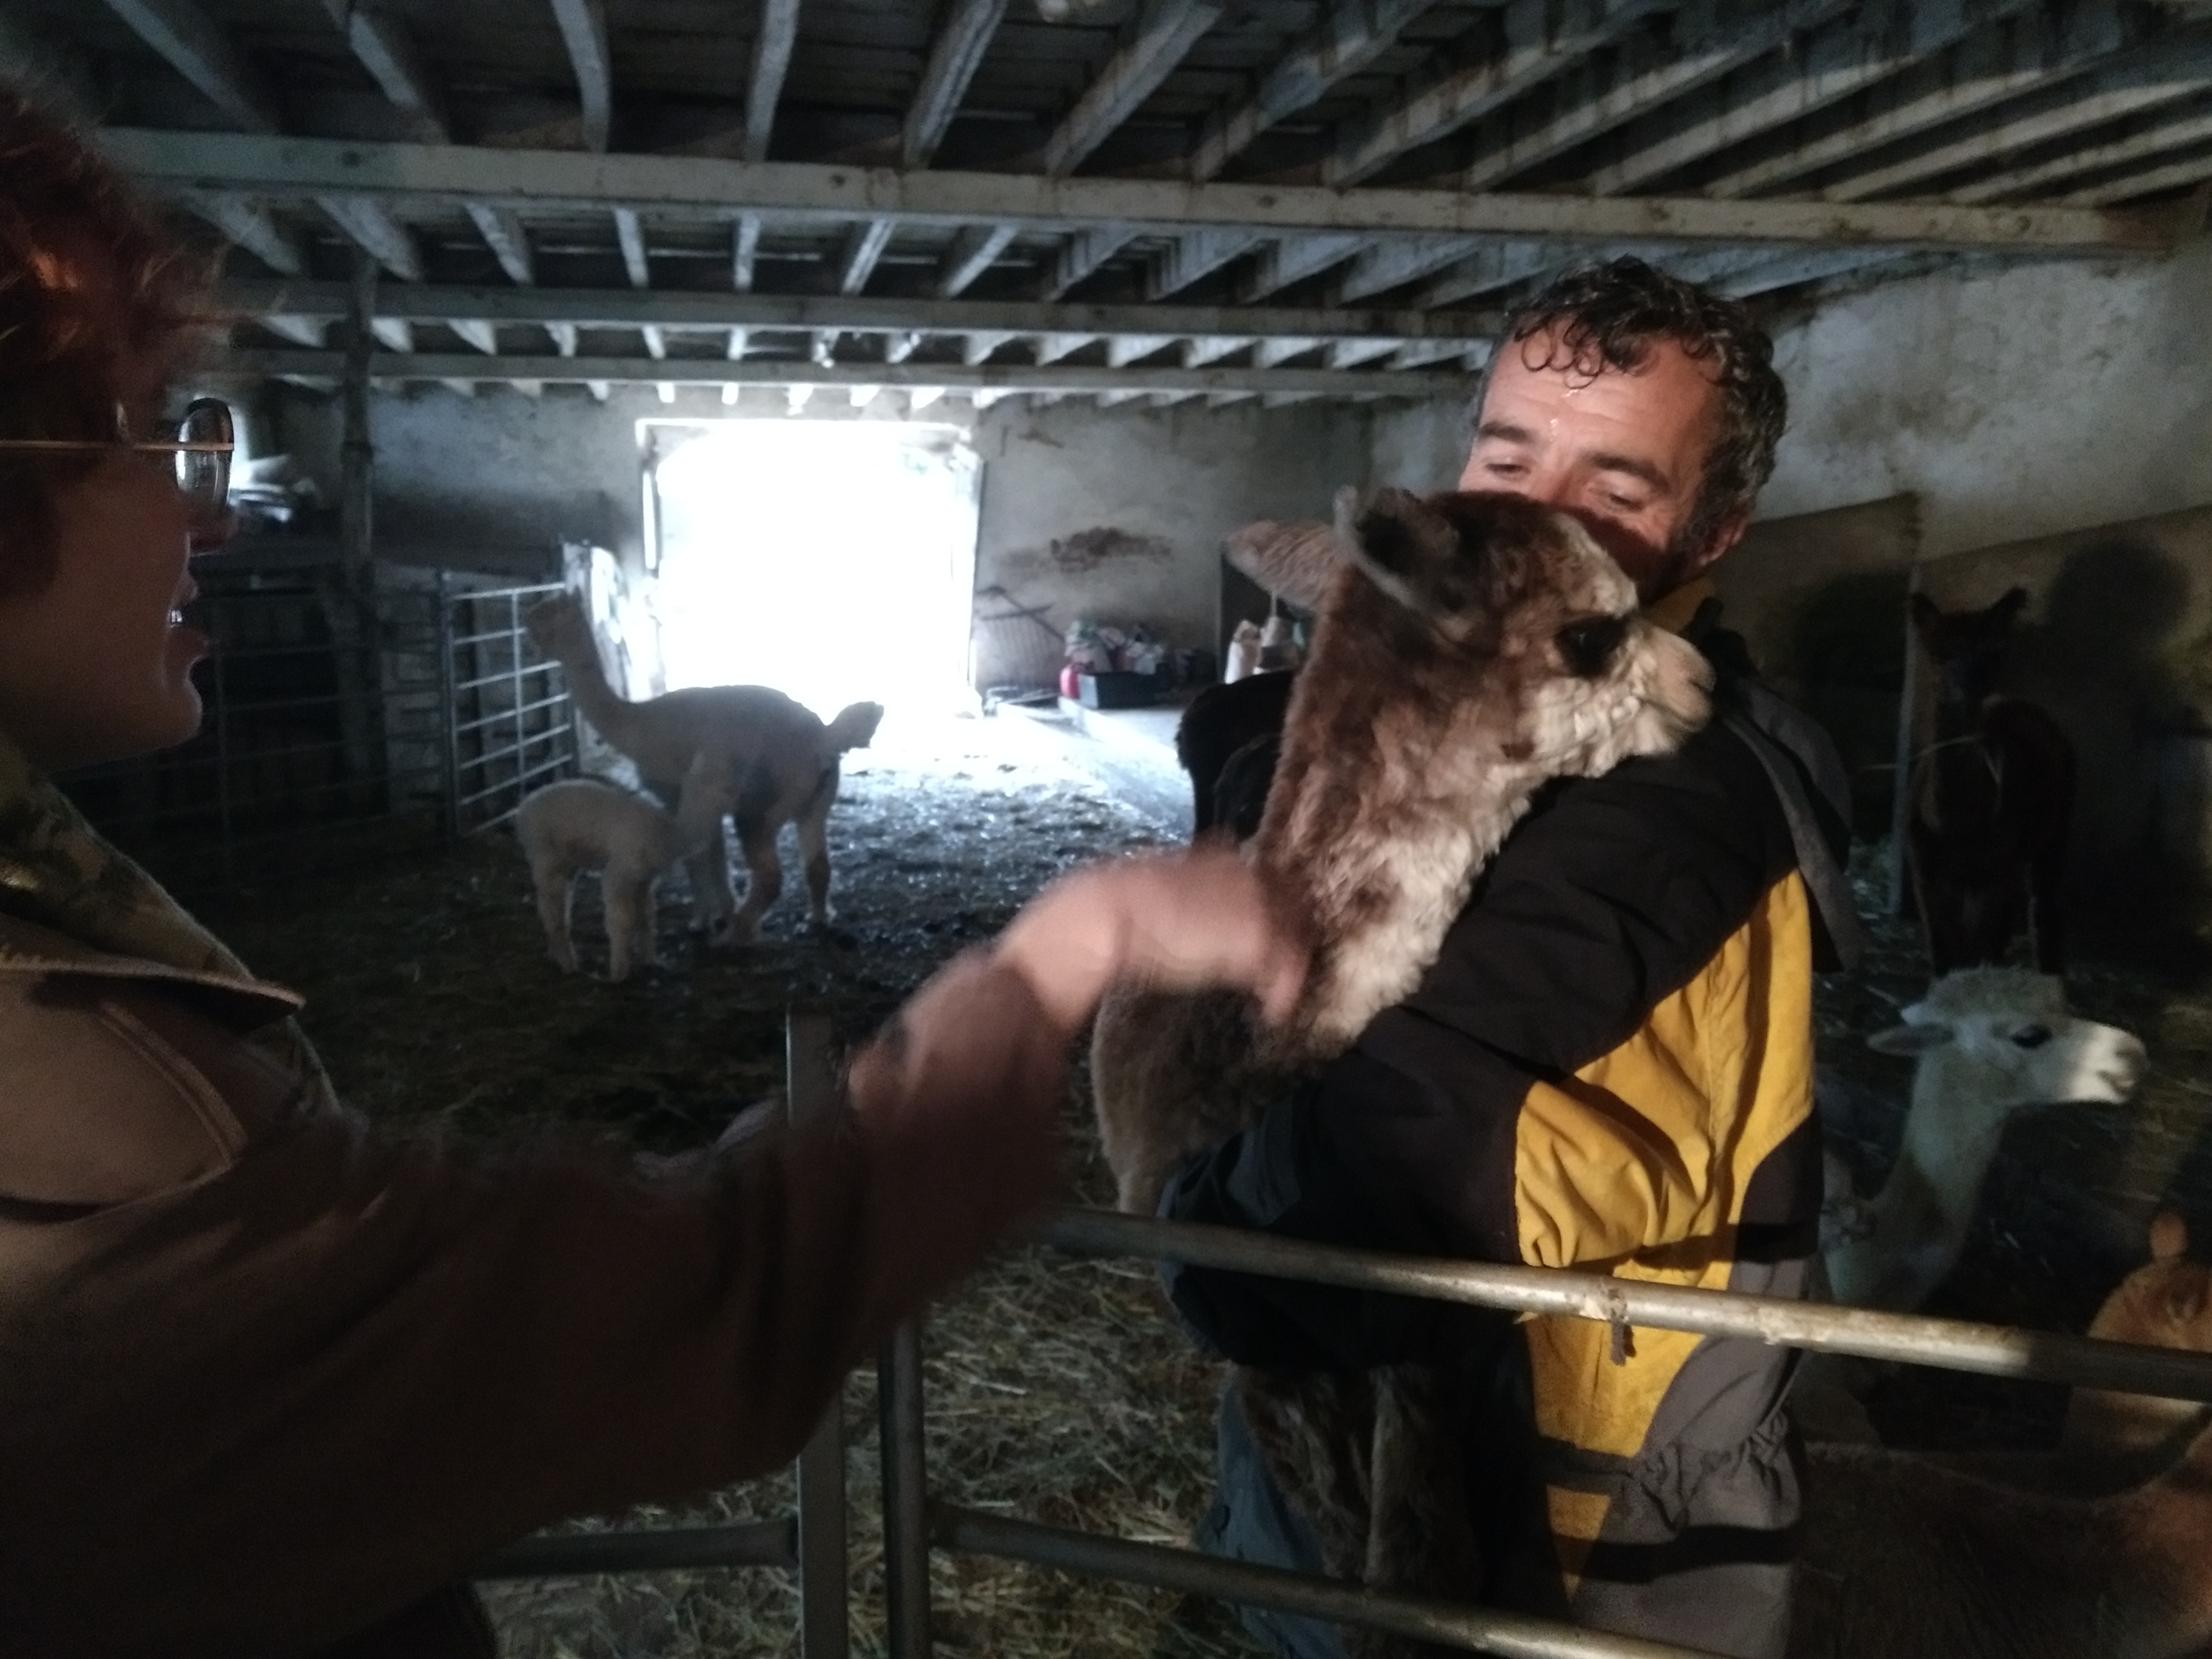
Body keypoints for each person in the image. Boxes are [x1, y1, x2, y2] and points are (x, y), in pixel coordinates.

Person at [0, 84, 1309, 1659]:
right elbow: (669, 1310)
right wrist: (1039, 973)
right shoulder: (76, 1096)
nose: (203, 514)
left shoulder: (71, 956)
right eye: (140, 429)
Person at [1162, 258, 1855, 1659]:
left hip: (1570, 1513)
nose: (1540, 518)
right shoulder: (1482, 708)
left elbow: (1407, 1165)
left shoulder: (1660, 813)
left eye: (1616, 489)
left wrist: (1197, 1237)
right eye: (1509, 456)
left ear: (1713, 534)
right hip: (1370, 1451)